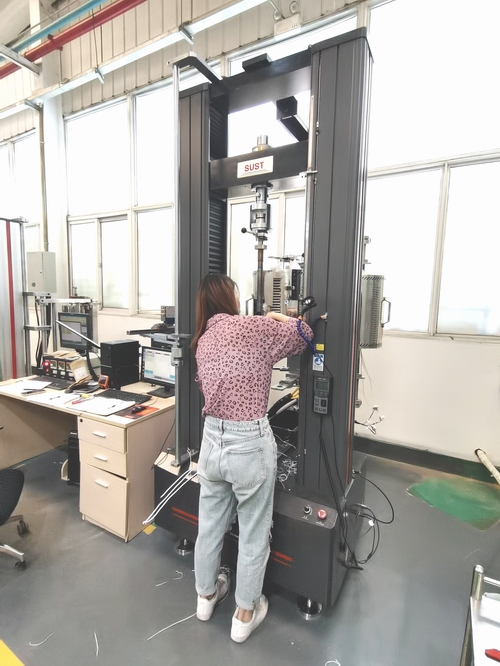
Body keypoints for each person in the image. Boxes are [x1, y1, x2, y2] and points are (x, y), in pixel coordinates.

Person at [192, 273, 313, 643]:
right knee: (254, 532)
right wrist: (277, 316)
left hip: (211, 441)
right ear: (231, 298)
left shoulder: (202, 341)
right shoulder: (254, 327)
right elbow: (305, 334)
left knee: (209, 526)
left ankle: (205, 597)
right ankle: (244, 613)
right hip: (248, 444)